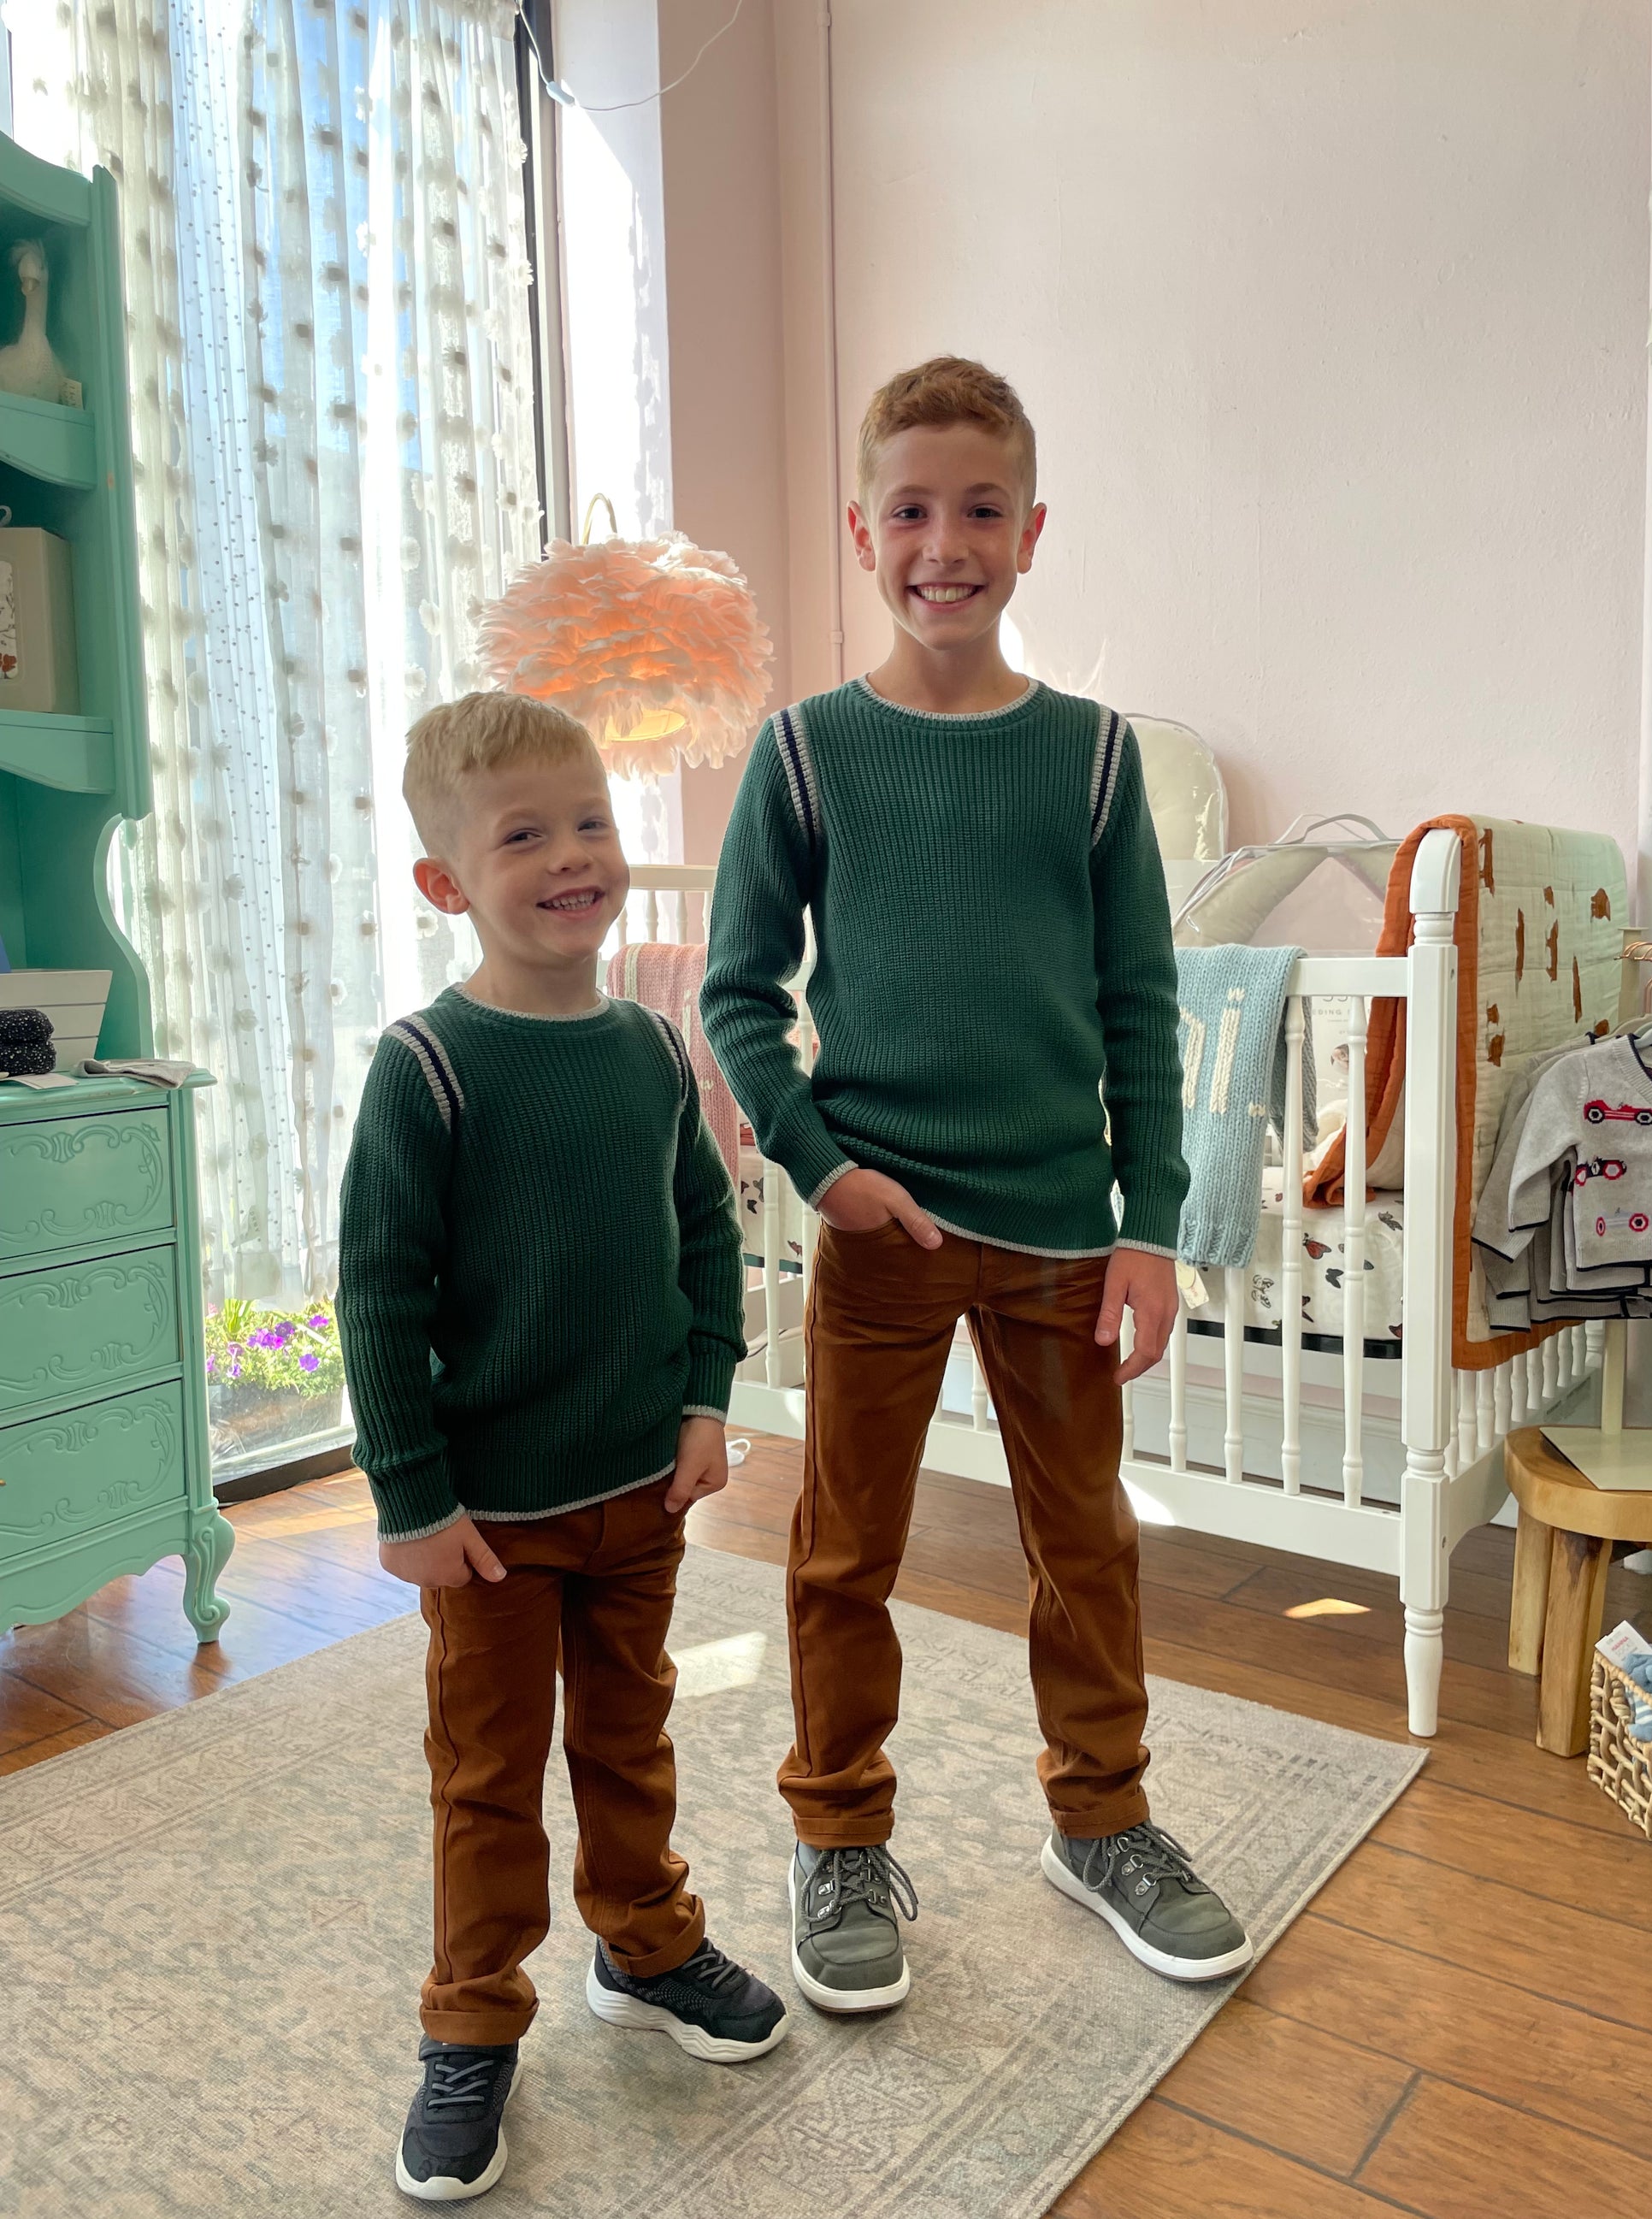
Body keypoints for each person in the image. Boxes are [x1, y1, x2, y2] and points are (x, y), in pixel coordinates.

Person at [701, 356, 1251, 2018]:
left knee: (1084, 1540)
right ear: (863, 527)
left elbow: (1143, 1005)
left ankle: (1102, 1817)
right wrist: (822, 1166)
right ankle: (838, 1832)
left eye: (982, 510)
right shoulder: (803, 753)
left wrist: (1151, 1219)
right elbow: (736, 990)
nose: (947, 542)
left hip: (1060, 1235)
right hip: (883, 1229)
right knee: (841, 1544)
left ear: (1031, 532)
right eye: (914, 510)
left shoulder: (1090, 762)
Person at [338, 693, 785, 2204]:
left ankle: (645, 1941)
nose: (571, 855)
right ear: (446, 883)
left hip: (641, 1494)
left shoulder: (655, 1055)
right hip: (491, 1520)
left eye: (588, 821)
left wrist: (708, 1400)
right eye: (522, 833)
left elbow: (705, 1238)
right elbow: (380, 1296)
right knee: (487, 1771)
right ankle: (471, 2023)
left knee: (629, 1731)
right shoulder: (427, 1070)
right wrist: (409, 1499)